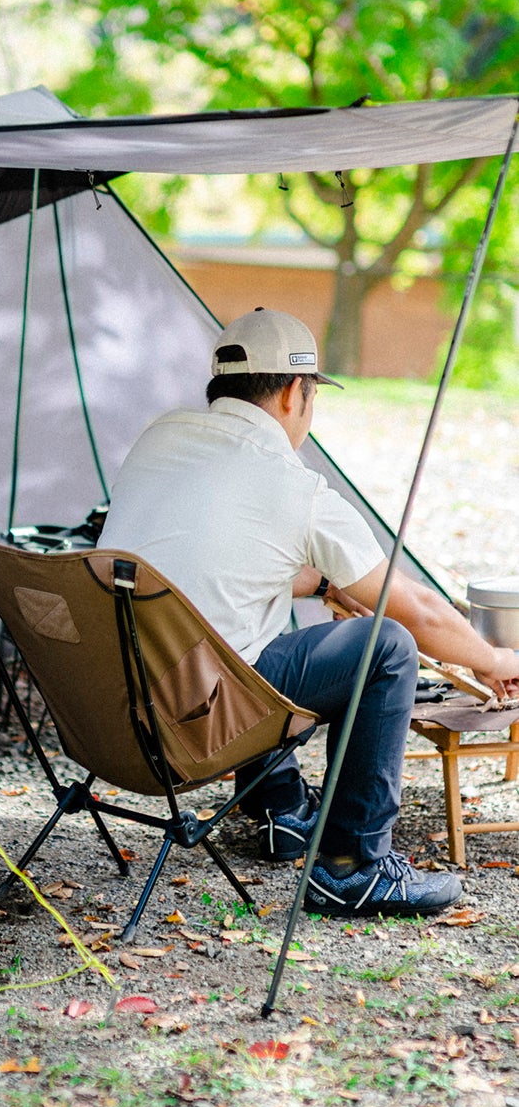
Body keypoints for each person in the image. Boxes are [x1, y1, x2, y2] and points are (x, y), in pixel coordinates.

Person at [101, 307, 519, 917]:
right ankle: (354, 866)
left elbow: (218, 564)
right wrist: (494, 657)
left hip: (111, 709)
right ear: (298, 391)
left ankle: (278, 809)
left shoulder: (161, 437)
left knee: (252, 622)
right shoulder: (289, 484)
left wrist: (324, 582)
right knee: (387, 647)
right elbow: (421, 612)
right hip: (196, 721)